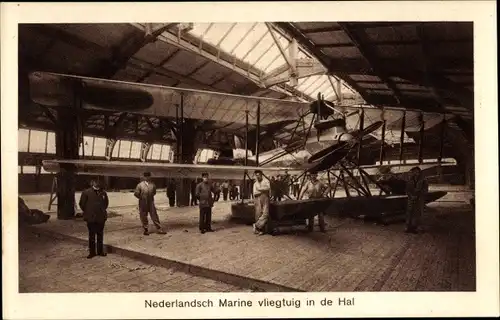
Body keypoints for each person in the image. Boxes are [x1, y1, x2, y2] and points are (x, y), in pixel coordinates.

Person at [79, 180, 109, 259]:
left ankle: (100, 251)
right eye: (95, 182)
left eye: (98, 182)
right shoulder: (86, 192)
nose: (97, 183)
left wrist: (101, 211)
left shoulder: (103, 193)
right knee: (91, 236)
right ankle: (92, 252)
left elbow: (106, 203)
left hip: (101, 217)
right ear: (92, 183)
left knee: (100, 235)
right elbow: (82, 204)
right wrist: (89, 211)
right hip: (91, 218)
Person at [405, 167, 428, 234]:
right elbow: (407, 190)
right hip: (411, 199)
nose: (415, 173)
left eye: (416, 172)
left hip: (419, 199)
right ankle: (408, 227)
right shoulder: (410, 180)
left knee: (419, 213)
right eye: (414, 172)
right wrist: (411, 196)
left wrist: (418, 196)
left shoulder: (423, 180)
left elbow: (425, 190)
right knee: (409, 212)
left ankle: (419, 228)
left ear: (419, 172)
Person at [252, 170, 271, 235]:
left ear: (261, 175)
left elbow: (268, 188)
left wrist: (259, 189)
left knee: (265, 214)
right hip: (257, 199)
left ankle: (256, 225)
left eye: (258, 175)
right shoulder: (255, 184)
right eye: (256, 175)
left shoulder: (266, 181)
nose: (257, 177)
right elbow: (255, 193)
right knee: (258, 214)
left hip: (265, 199)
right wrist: (263, 190)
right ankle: (260, 230)